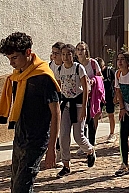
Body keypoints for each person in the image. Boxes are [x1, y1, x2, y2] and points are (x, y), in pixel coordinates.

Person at [0, 32, 60, 193]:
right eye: (9, 58)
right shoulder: (18, 76)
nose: (11, 63)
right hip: (20, 136)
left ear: (27, 53)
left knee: (22, 187)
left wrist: (52, 148)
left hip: (36, 140)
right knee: (15, 185)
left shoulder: (43, 77)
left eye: (14, 58)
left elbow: (56, 113)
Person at [53, 43, 96, 177]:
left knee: (78, 136)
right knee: (64, 135)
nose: (65, 57)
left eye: (68, 54)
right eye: (63, 54)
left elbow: (86, 88)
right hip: (66, 105)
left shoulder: (79, 68)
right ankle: (66, 165)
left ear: (73, 55)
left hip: (78, 105)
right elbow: (59, 88)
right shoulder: (60, 70)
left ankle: (90, 151)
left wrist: (84, 108)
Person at [76, 41, 103, 146]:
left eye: (82, 49)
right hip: (80, 94)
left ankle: (91, 140)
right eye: (78, 49)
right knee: (82, 120)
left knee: (91, 118)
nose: (80, 51)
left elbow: (100, 76)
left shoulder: (92, 63)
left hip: (92, 94)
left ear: (86, 51)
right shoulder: (75, 63)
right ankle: (84, 142)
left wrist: (93, 80)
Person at [97, 57, 117, 143]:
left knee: (111, 114)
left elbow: (117, 83)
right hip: (99, 96)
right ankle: (93, 134)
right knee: (96, 115)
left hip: (109, 96)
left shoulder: (110, 71)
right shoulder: (96, 72)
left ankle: (112, 133)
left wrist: (116, 96)